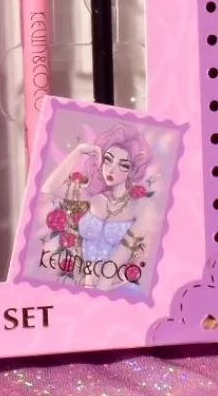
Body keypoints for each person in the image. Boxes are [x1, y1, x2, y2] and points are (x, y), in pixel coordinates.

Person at [42, 123, 155, 290]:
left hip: (116, 289)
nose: (111, 169)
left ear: (133, 171)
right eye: (108, 160)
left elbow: (120, 256)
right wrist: (78, 151)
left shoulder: (140, 206)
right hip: (88, 286)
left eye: (123, 165)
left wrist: (98, 292)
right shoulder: (94, 197)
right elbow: (49, 188)